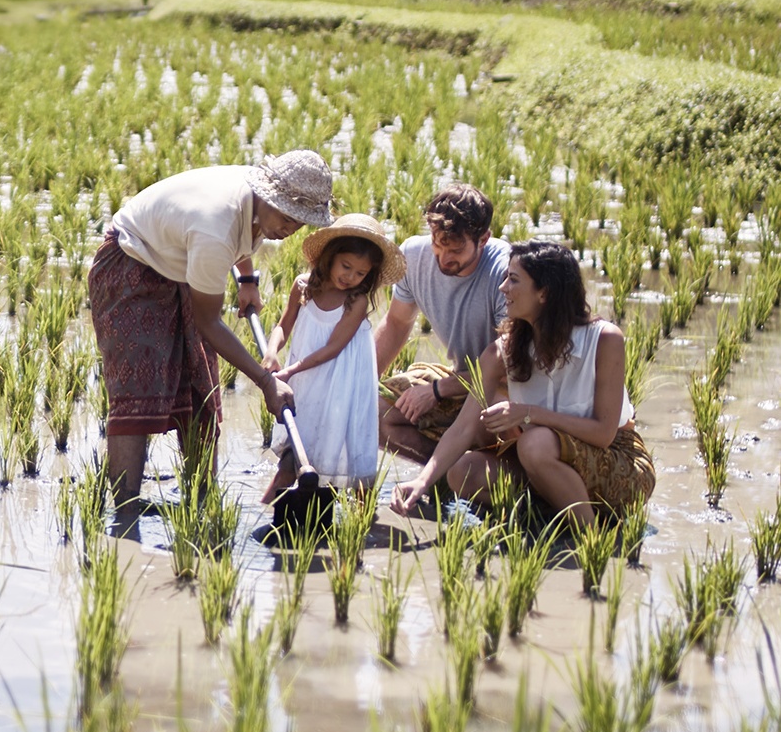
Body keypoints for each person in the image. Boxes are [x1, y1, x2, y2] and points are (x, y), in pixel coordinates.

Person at [87, 149, 335, 514]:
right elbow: (208, 321)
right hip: (132, 264)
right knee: (136, 390)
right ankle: (125, 508)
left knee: (200, 384)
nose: (288, 229)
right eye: (285, 216)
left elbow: (242, 231)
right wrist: (266, 382)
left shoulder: (252, 204)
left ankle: (201, 500)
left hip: (180, 262)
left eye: (299, 222)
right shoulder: (214, 226)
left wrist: (247, 279)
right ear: (266, 195)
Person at [387, 239, 655, 530]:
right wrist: (422, 481)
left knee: (534, 442)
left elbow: (603, 434)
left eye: (513, 280)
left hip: (618, 462)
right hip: (541, 462)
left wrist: (529, 413)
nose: (503, 288)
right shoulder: (501, 352)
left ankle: (591, 536)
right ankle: (549, 518)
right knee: (463, 472)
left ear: (544, 293)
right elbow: (463, 429)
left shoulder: (604, 339)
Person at [259, 213, 403, 499]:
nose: (350, 277)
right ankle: (266, 509)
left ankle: (362, 521)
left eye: (360, 273)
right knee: (293, 454)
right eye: (346, 266)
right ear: (330, 257)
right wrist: (272, 352)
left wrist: (290, 371)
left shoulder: (356, 301)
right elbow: (283, 324)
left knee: (345, 448)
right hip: (306, 380)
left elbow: (333, 348)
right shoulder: (304, 286)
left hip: (342, 384)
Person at [375, 184, 510, 464]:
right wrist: (359, 383)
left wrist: (437, 391)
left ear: (483, 239)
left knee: (491, 417)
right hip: (459, 377)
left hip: (504, 388)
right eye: (438, 244)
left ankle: (481, 475)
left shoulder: (506, 273)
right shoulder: (412, 256)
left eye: (456, 250)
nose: (444, 259)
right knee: (374, 413)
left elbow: (507, 369)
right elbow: (397, 324)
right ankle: (443, 478)